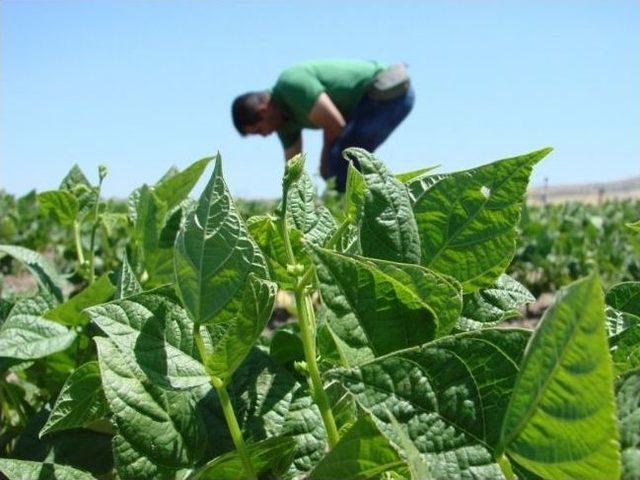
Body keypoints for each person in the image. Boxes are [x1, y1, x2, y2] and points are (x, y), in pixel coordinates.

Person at [231, 59, 415, 192]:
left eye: (259, 130)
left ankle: (373, 212)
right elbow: (293, 172)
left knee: (339, 166)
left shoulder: (291, 85)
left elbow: (335, 124)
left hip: (389, 92)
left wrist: (323, 163)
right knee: (342, 171)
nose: (264, 135)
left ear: (263, 111)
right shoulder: (284, 124)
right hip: (372, 103)